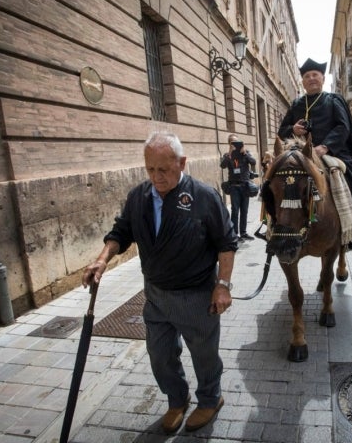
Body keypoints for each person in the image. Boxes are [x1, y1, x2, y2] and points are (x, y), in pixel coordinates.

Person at [82, 131, 238, 434]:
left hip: (196, 295)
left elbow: (226, 243)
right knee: (160, 355)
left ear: (181, 163)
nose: (157, 177)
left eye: (163, 169)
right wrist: (102, 259)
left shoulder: (204, 196)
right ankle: (176, 399)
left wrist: (223, 285)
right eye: (150, 169)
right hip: (155, 295)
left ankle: (210, 399)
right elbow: (120, 233)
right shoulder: (138, 196)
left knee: (204, 355)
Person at [278, 58, 352, 255]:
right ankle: (275, 227)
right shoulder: (296, 104)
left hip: (332, 153)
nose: (311, 79)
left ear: (322, 78)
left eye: (315, 75)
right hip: (300, 155)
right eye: (307, 76)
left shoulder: (333, 100)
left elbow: (343, 127)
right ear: (302, 81)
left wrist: (325, 147)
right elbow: (281, 131)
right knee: (278, 180)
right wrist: (293, 128)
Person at [220, 134, 257, 241]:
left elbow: (253, 162)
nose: (235, 144)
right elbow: (222, 166)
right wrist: (230, 154)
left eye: (237, 142)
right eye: (232, 142)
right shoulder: (227, 155)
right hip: (234, 187)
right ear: (229, 144)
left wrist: (245, 153)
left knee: (244, 210)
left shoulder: (245, 153)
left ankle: (244, 232)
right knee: (235, 210)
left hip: (245, 186)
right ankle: (235, 234)